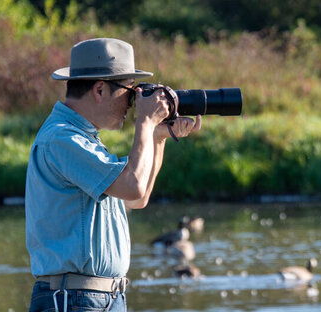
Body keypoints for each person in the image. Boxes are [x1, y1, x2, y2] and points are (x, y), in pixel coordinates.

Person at [25, 38, 201, 312]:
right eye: (130, 91)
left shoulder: (85, 140)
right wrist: (145, 121)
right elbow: (133, 186)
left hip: (100, 297)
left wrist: (157, 137)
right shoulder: (63, 138)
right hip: (74, 299)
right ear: (99, 89)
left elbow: (136, 198)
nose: (133, 102)